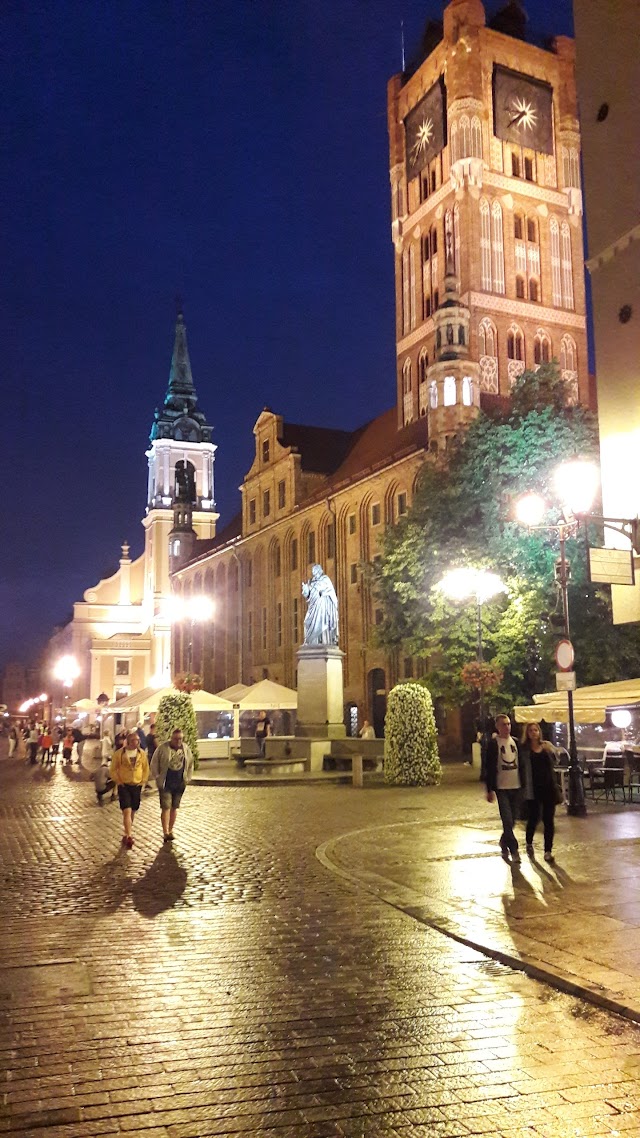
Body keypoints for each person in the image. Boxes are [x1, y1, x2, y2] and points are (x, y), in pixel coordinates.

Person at [484, 712, 525, 864]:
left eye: (508, 724)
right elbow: (488, 767)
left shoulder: (516, 742)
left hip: (516, 786)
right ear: (497, 726)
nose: (507, 727)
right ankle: (514, 850)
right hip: (502, 787)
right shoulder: (493, 744)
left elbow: (523, 763)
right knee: (507, 819)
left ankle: (503, 841)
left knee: (513, 820)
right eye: (503, 724)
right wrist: (489, 789)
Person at [521, 722, 559, 863]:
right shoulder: (525, 750)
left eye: (536, 730)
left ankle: (548, 851)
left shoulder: (546, 746)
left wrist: (552, 751)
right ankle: (529, 842)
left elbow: (556, 761)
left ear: (539, 732)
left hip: (549, 789)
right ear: (527, 733)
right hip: (533, 789)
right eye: (531, 730)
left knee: (549, 820)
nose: (534, 732)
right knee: (534, 818)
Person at [149, 727, 194, 843]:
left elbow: (190, 764)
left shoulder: (185, 748)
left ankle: (171, 830)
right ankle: (165, 832)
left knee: (174, 807)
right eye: (176, 739)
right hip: (166, 783)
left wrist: (188, 778)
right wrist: (157, 777)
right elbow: (154, 763)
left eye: (180, 739)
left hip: (179, 783)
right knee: (166, 807)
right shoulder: (163, 748)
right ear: (171, 738)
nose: (178, 741)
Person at [110, 730, 149, 849]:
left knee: (133, 810)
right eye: (133, 741)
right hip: (124, 785)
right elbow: (113, 769)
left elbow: (145, 768)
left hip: (136, 785)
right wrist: (118, 781)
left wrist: (143, 781)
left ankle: (127, 831)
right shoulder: (119, 753)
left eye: (137, 741)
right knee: (126, 810)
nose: (135, 743)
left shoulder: (141, 754)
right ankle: (129, 835)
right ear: (128, 741)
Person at [302, 563, 339, 645]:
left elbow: (324, 590)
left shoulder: (325, 579)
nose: (313, 571)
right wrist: (305, 590)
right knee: (306, 622)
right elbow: (308, 595)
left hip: (322, 606)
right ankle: (311, 642)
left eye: (314, 569)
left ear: (319, 570)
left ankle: (322, 641)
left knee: (321, 623)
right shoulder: (311, 581)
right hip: (313, 606)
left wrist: (312, 587)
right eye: (312, 570)